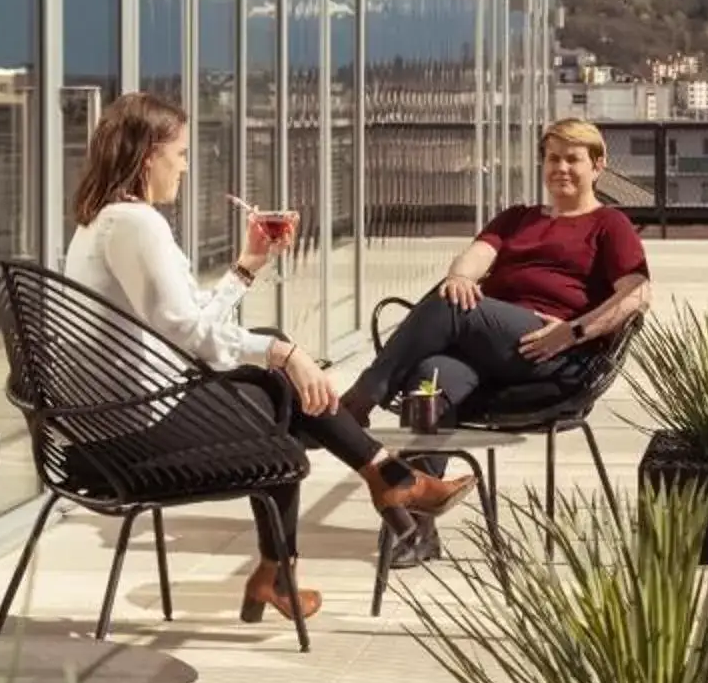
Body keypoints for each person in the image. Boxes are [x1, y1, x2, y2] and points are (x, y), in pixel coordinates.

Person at [61, 94, 472, 624]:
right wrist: (285, 353)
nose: (186, 167)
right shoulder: (136, 224)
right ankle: (375, 488)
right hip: (130, 435)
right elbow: (188, 334)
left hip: (104, 424)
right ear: (148, 156)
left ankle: (370, 491)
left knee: (284, 394)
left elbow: (187, 324)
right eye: (181, 154)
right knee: (283, 399)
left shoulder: (104, 222)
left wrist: (247, 266)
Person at [346, 118, 654, 424]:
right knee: (430, 380)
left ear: (598, 166)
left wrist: (574, 331)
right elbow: (477, 255)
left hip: (552, 348)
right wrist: (461, 277)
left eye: (572, 159)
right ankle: (418, 474)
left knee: (451, 306)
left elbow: (637, 293)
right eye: (553, 158)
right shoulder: (517, 218)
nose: (561, 168)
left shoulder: (610, 225)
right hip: (491, 343)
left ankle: (359, 400)